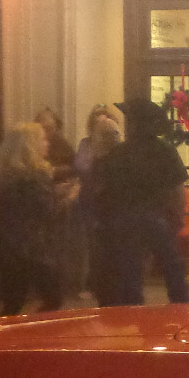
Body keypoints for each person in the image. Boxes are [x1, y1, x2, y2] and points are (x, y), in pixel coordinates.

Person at [95, 96, 189, 306]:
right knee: (172, 266)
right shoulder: (165, 150)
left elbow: (106, 189)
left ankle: (135, 311)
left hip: (125, 216)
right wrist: (178, 216)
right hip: (158, 215)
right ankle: (181, 308)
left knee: (131, 269)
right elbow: (176, 189)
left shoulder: (119, 153)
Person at [0, 122, 64, 317]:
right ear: (31, 146)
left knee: (13, 300)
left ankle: (5, 337)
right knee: (53, 298)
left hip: (7, 243)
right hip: (33, 247)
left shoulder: (7, 174)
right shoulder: (38, 175)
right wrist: (64, 197)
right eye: (43, 140)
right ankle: (28, 333)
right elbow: (47, 212)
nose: (47, 143)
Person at [75, 110, 124, 304]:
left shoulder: (103, 161)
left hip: (105, 215)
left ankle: (106, 298)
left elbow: (96, 187)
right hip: (108, 215)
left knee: (104, 256)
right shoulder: (119, 159)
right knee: (107, 257)